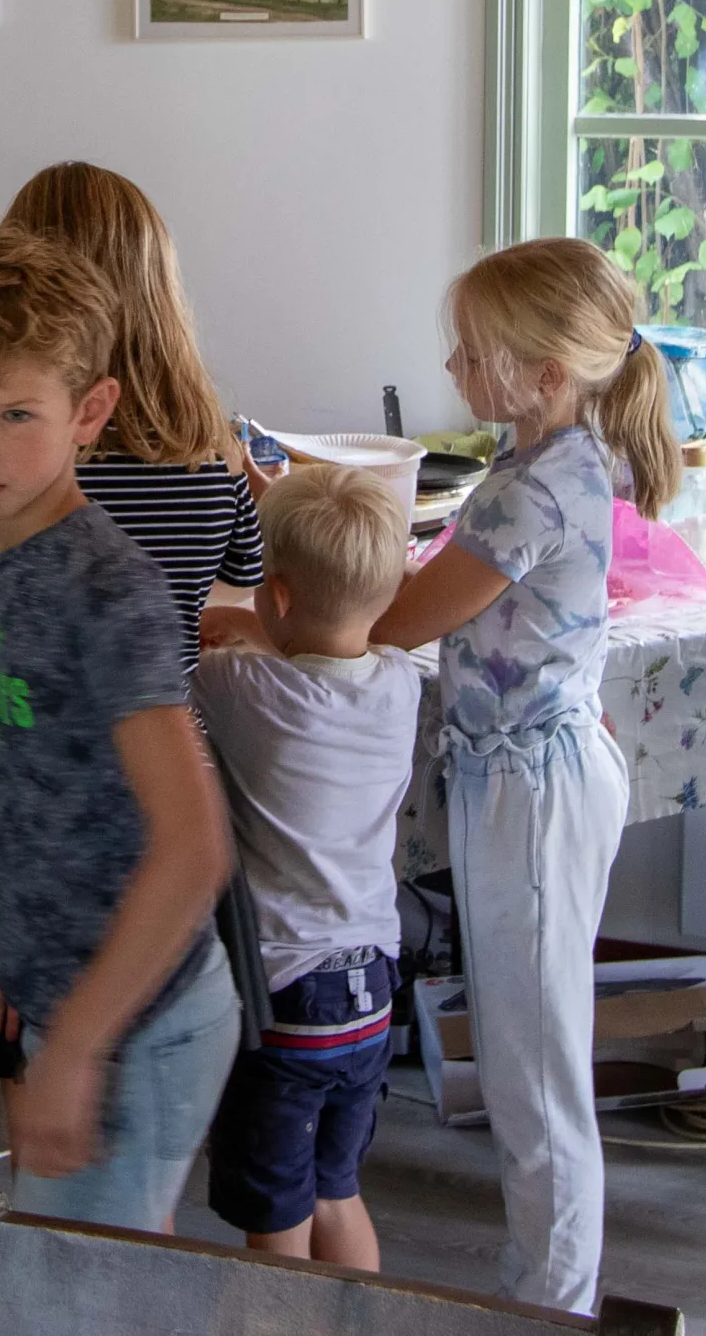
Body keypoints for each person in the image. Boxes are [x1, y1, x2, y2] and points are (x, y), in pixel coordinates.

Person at [0, 162, 263, 1082]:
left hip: (79, 832)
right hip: (122, 812)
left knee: (56, 1089)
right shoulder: (217, 458)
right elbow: (235, 602)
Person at [368, 238, 679, 1314]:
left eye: (472, 352)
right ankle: (546, 1286)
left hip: (532, 793)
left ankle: (554, 1301)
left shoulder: (532, 489)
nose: (453, 366)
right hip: (527, 773)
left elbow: (404, 617)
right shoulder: (554, 459)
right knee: (528, 1055)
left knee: (534, 1073)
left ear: (546, 374)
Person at [0, 230, 238, 1227]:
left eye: (16, 414)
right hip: (77, 995)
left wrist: (83, 1043)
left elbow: (194, 846)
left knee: (83, 1286)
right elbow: (45, 772)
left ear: (90, 411)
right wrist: (10, 913)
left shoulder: (106, 588)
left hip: (140, 1026)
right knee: (75, 1271)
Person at [195, 466, 420, 1269]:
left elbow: (188, 634)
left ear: (279, 593)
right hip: (372, 991)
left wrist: (244, 625)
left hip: (288, 996)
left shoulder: (242, 688)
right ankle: (359, 1320)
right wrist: (267, 627)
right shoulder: (400, 683)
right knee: (335, 1191)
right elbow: (309, 655)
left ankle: (274, 1319)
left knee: (277, 1216)